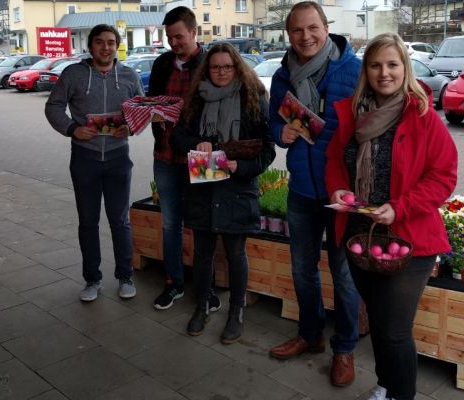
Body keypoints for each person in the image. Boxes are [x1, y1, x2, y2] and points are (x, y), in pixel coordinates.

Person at [325, 33, 457, 400]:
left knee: (395, 330)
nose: (385, 72)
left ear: (405, 68)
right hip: (359, 236)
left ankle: (401, 394)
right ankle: (386, 385)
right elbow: (336, 161)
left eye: (392, 65)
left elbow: (443, 176)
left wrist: (401, 206)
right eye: (376, 65)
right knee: (380, 325)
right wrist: (337, 189)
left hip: (409, 240)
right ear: (366, 70)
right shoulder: (353, 112)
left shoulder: (422, 115)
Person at [266, 1, 362, 388]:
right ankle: (310, 335)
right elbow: (273, 121)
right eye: (296, 31)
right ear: (288, 35)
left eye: (312, 28)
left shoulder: (353, 71)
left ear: (326, 27)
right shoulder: (282, 77)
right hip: (302, 190)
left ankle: (345, 348)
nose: (305, 37)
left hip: (343, 196)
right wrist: (280, 134)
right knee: (302, 270)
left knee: (343, 276)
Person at [171, 43, 275, 343]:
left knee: (235, 254)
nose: (221, 72)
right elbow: (178, 135)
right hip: (203, 185)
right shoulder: (196, 97)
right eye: (215, 67)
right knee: (202, 254)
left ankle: (236, 312)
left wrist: (239, 166)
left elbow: (267, 149)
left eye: (227, 67)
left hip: (237, 188)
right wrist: (197, 142)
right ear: (207, 68)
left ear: (237, 67)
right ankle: (202, 306)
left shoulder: (252, 97)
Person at [45, 24, 143, 302]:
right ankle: (92, 280)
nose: (106, 47)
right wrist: (71, 129)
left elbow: (140, 110)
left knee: (120, 221)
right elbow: (53, 106)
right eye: (99, 42)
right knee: (88, 222)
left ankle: (125, 277)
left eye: (111, 42)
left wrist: (131, 128)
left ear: (117, 45)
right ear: (90, 46)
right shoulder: (73, 74)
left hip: (117, 158)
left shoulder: (128, 75)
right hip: (84, 158)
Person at [148, 6, 220, 311]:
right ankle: (174, 282)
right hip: (165, 154)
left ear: (194, 32)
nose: (174, 43)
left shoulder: (212, 63)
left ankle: (208, 287)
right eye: (169, 38)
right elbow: (151, 101)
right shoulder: (162, 63)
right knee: (170, 224)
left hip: (203, 155)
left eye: (179, 36)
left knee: (207, 224)